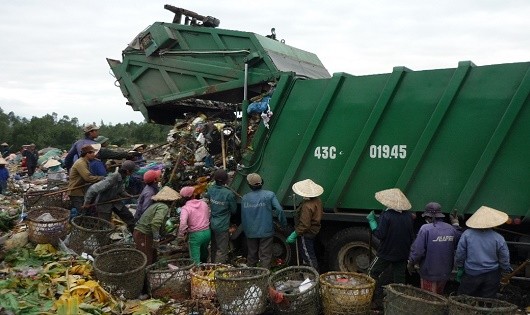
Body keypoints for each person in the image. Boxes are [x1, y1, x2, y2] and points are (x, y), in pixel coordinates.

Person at [455, 206, 512, 298]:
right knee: (487, 300)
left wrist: (460, 266)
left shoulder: (467, 234)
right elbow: (504, 257)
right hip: (492, 274)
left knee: (464, 298)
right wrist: (505, 269)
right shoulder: (498, 238)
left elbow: (460, 253)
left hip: (471, 273)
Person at [407, 202, 462, 294]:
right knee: (439, 296)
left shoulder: (425, 229)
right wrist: (456, 224)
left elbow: (418, 250)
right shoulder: (451, 229)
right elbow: (459, 242)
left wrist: (411, 262)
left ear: (429, 217)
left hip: (429, 272)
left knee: (428, 299)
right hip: (445, 272)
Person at [367, 188, 414, 285]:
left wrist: (372, 222)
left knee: (372, 273)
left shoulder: (387, 215)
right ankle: (398, 297)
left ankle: (377, 294)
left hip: (387, 252)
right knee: (399, 278)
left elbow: (380, 234)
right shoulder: (408, 216)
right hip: (403, 252)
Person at [241, 173, 287, 269]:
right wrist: (283, 225)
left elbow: (244, 216)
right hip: (266, 231)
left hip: (250, 231)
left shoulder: (245, 198)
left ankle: (250, 277)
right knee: (265, 256)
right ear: (262, 182)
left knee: (252, 256)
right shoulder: (269, 195)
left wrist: (246, 231)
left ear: (249, 185)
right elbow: (279, 210)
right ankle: (264, 278)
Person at [83, 160, 137, 233]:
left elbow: (120, 190)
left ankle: (135, 235)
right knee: (104, 225)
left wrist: (127, 195)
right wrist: (87, 203)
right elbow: (92, 189)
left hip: (115, 201)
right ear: (127, 171)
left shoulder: (122, 177)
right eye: (132, 171)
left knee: (128, 217)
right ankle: (103, 241)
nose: (132, 173)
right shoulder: (112, 178)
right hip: (104, 203)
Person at [134, 186, 181, 266]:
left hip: (142, 233)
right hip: (143, 234)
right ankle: (145, 277)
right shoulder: (163, 207)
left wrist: (164, 234)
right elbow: (155, 223)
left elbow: (160, 224)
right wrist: (156, 237)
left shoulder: (157, 205)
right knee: (146, 259)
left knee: (152, 255)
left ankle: (149, 275)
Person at [286, 179, 324, 271]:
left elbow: (305, 225)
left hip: (307, 233)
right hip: (314, 230)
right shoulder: (317, 201)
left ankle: (314, 276)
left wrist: (295, 234)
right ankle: (309, 274)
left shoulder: (307, 206)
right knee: (311, 253)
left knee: (308, 256)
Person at [205, 169, 237, 263]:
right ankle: (217, 272)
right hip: (222, 225)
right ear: (225, 180)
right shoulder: (229, 194)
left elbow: (208, 199)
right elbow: (234, 210)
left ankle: (211, 266)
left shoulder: (211, 190)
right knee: (221, 250)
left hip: (212, 223)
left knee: (214, 248)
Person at [177, 186, 211, 265]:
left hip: (195, 235)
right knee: (204, 255)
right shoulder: (203, 203)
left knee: (195, 260)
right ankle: (206, 271)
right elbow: (208, 215)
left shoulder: (185, 208)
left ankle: (198, 274)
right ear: (193, 195)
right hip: (207, 232)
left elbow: (183, 224)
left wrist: (181, 235)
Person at [67, 144, 104, 214]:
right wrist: (101, 178)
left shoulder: (86, 162)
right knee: (82, 212)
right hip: (76, 191)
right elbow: (88, 178)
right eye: (92, 153)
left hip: (81, 190)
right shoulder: (81, 163)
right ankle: (79, 223)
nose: (94, 154)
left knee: (86, 210)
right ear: (87, 154)